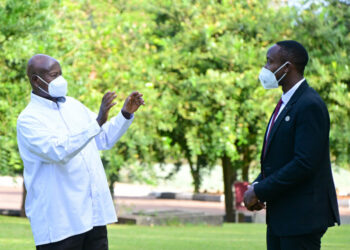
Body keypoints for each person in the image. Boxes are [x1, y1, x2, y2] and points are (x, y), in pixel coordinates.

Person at [17, 54, 144, 249]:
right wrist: (96, 123)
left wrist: (125, 114)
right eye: (54, 75)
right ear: (36, 80)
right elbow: (58, 151)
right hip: (60, 222)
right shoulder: (29, 119)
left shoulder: (74, 106)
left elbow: (102, 138)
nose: (60, 80)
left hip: (92, 217)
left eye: (61, 74)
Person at [243, 41, 340, 250]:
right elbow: (280, 159)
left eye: (270, 62)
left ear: (286, 67)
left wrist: (261, 190)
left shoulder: (309, 104)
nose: (266, 68)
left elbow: (304, 163)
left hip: (301, 219)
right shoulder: (287, 103)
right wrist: (257, 186)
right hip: (282, 216)